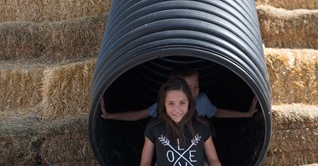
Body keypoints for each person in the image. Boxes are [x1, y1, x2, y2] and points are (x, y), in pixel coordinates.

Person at [100, 67, 258, 121]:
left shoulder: (201, 101)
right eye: (189, 87)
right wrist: (111, 116)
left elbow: (219, 112)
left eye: (197, 85)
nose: (194, 90)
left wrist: (245, 114)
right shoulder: (166, 105)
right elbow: (138, 115)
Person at [139, 78, 221, 166]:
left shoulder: (201, 127)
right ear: (164, 104)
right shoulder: (155, 127)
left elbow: (213, 160)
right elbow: (145, 164)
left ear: (189, 103)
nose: (177, 110)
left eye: (182, 103)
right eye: (171, 104)